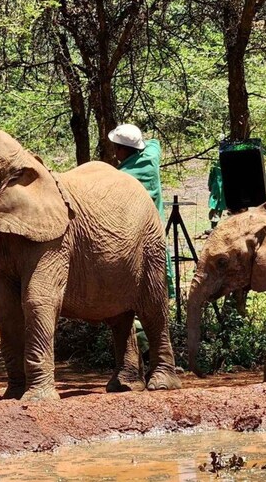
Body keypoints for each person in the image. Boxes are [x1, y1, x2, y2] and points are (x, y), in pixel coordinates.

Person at [108, 124, 174, 359]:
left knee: (129, 305)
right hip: (156, 244)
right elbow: (155, 143)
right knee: (156, 300)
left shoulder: (120, 179)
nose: (115, 151)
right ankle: (158, 354)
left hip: (130, 248)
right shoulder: (152, 160)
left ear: (122, 150)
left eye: (117, 148)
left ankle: (144, 353)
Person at [207, 160, 226, 230]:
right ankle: (213, 227)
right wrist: (210, 185)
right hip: (217, 188)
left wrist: (210, 185)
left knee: (217, 206)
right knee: (216, 206)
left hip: (222, 188)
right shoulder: (215, 162)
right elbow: (211, 174)